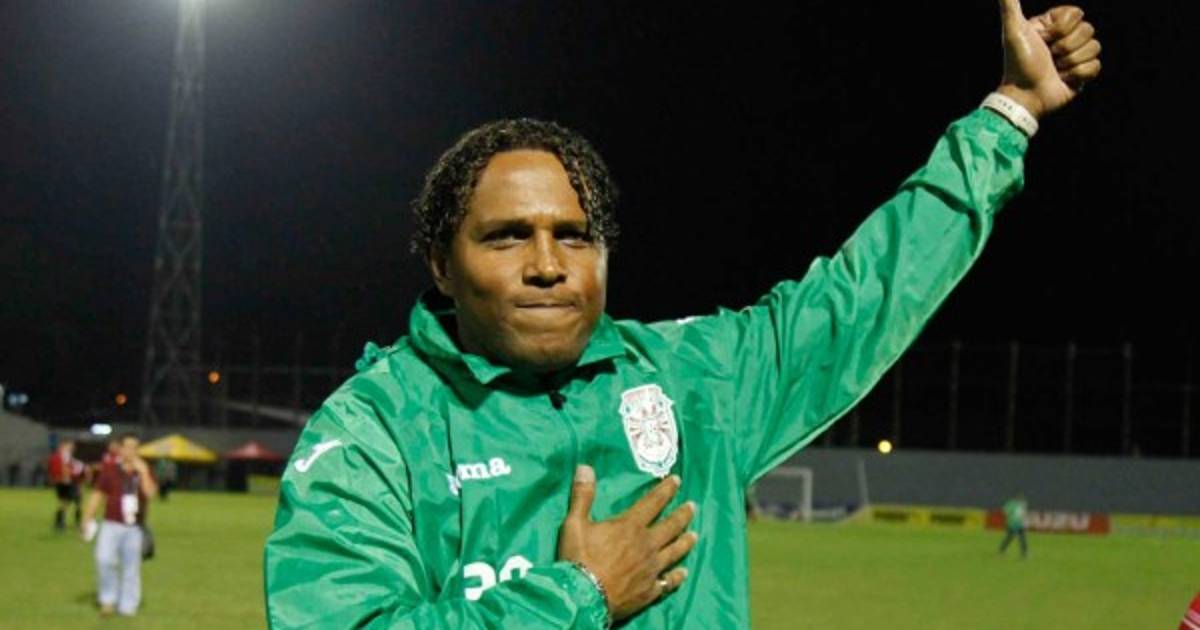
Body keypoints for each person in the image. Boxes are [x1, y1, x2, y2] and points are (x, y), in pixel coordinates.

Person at [264, 2, 1101, 627]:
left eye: (576, 236)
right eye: (508, 236)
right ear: (442, 265)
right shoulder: (373, 431)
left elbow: (868, 289)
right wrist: (579, 595)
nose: (549, 264)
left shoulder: (697, 381)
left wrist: (1011, 112)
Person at [81, 432, 158, 617]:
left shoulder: (144, 470)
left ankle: (128, 605)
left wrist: (144, 472)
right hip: (111, 523)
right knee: (104, 559)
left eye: (134, 447)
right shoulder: (110, 469)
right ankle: (108, 599)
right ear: (121, 449)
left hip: (134, 527)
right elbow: (98, 495)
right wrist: (87, 517)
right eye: (127, 447)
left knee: (131, 567)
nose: (131, 451)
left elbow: (150, 494)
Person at [47, 439, 84, 530]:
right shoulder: (63, 455)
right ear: (64, 445)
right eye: (70, 445)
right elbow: (65, 467)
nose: (72, 447)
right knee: (71, 501)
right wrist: (66, 477)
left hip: (64, 482)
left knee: (65, 502)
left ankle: (61, 523)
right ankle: (63, 522)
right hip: (67, 482)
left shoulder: (60, 456)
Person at [998, 493, 1029, 558]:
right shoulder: (1019, 504)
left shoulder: (1011, 504)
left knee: (1016, 538)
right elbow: (1023, 514)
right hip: (1015, 524)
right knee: (1019, 538)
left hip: (1014, 524)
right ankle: (1024, 553)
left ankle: (1002, 550)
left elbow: (1005, 512)